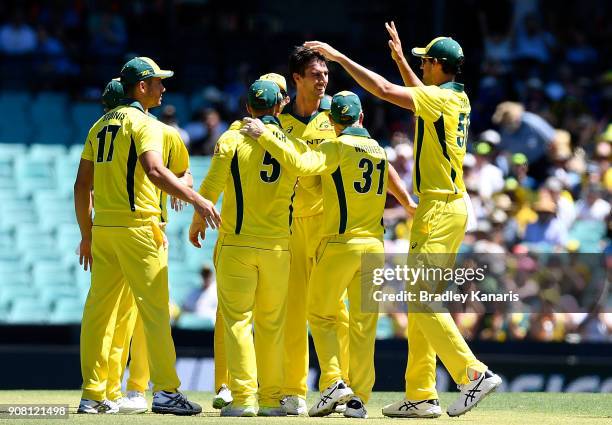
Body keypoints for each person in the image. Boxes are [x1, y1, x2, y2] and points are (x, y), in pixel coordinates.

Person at [303, 24, 502, 418]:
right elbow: (417, 97)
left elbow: (385, 92)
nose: (420, 66)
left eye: (423, 61)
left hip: (440, 208)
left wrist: (340, 58)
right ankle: (422, 394)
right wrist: (400, 62)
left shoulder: (441, 100)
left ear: (437, 65)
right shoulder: (451, 98)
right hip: (447, 206)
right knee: (419, 303)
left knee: (420, 298)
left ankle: (472, 374)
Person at [242, 90, 414, 418]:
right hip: (375, 247)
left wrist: (266, 136)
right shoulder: (379, 150)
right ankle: (359, 400)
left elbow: (301, 165)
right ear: (361, 118)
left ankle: (334, 380)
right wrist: (408, 204)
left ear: (333, 122)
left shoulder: (334, 146)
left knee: (320, 314)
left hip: (340, 245)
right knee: (364, 327)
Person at [74, 57, 220, 415]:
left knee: (97, 315)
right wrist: (197, 198)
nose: (163, 87)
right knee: (154, 314)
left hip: (104, 229)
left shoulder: (99, 126)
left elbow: (81, 186)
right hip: (139, 227)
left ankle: (93, 395)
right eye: (157, 82)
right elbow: (155, 170)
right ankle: (166, 391)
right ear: (141, 86)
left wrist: (87, 234)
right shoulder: (145, 124)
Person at [188, 80, 308, 417]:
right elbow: (304, 167)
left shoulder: (231, 138)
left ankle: (243, 399)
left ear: (247, 108)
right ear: (279, 108)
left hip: (237, 244)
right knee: (271, 324)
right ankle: (270, 398)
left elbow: (211, 185)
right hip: (276, 248)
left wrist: (198, 221)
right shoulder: (290, 142)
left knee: (238, 323)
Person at [95, 78, 195, 414]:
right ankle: (134, 390)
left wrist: (182, 187)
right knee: (142, 316)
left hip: (132, 228)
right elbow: (183, 173)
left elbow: (182, 173)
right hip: (146, 230)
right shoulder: (157, 130)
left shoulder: (122, 128)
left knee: (118, 318)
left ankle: (111, 391)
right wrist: (184, 188)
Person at [277, 46, 351, 416]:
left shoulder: (335, 116)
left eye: (325, 74)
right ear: (297, 79)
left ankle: (338, 386)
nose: (323, 80)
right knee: (295, 311)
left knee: (334, 310)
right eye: (315, 74)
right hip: (290, 227)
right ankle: (293, 391)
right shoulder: (280, 122)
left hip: (327, 225)